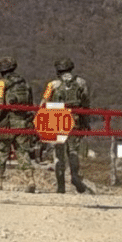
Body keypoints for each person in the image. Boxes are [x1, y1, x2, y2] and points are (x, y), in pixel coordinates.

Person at [41, 57, 92, 194]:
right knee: (73, 151)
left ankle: (60, 186)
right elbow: (86, 104)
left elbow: (44, 103)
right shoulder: (81, 83)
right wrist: (86, 122)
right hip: (75, 120)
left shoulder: (52, 85)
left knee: (59, 154)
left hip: (57, 120)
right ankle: (75, 176)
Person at [0, 56, 36, 193]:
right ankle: (30, 179)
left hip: (7, 123)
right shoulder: (25, 84)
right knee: (22, 152)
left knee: (1, 151)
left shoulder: (1, 84)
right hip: (22, 122)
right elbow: (30, 105)